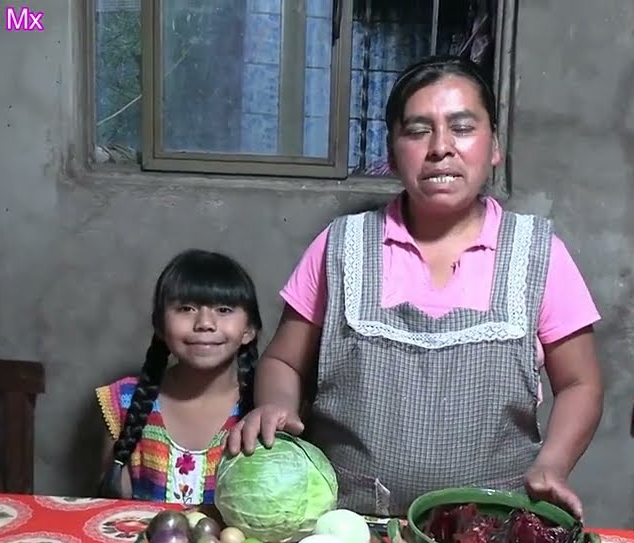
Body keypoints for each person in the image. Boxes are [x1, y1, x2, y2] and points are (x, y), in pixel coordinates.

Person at [226, 55, 603, 519]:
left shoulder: (538, 254)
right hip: (351, 527)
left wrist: (553, 462)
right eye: (418, 130)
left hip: (493, 532)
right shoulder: (342, 245)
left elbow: (580, 383)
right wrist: (276, 406)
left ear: (495, 147)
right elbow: (284, 359)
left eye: (462, 127)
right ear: (393, 148)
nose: (441, 147)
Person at [96, 249, 262, 503]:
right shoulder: (124, 401)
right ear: (160, 327)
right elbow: (110, 507)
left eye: (224, 309)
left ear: (249, 330)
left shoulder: (263, 408)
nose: (205, 323)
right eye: (186, 308)